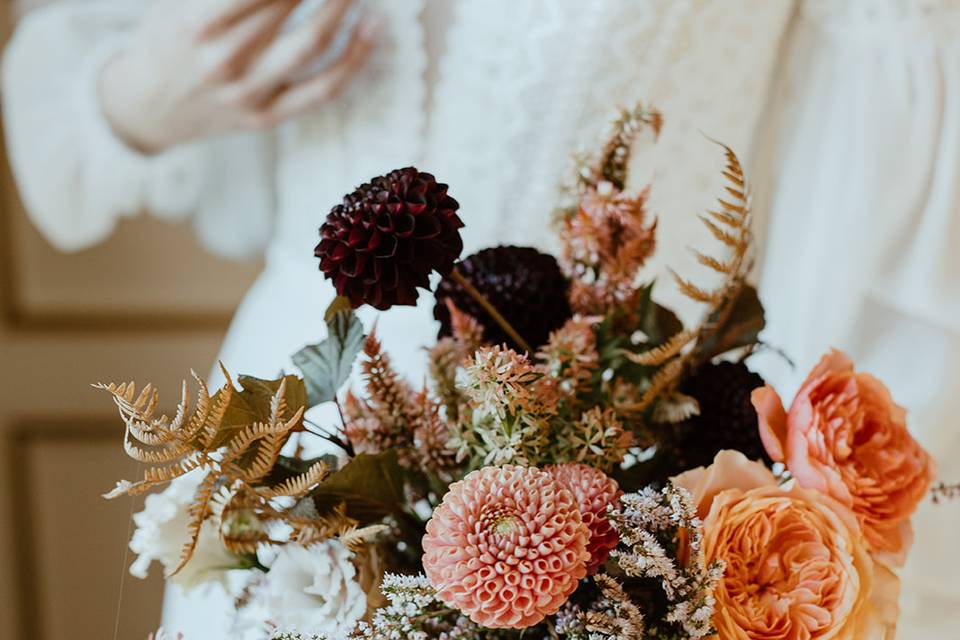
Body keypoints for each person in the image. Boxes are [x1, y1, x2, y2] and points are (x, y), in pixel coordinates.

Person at [7, 1, 957, 638]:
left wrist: (796, 500)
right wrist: (140, 94)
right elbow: (63, 114)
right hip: (283, 441)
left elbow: (871, 181)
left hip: (596, 475)